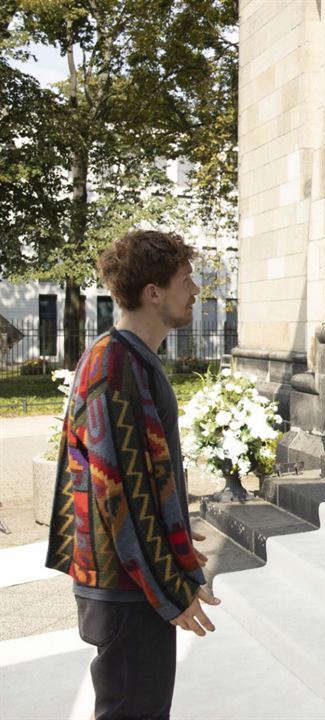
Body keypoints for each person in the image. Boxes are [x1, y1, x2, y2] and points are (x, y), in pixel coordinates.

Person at [45, 230, 220, 719]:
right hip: (127, 588)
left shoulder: (127, 358)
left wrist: (177, 536)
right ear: (153, 292)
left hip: (130, 580)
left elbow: (141, 474)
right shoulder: (114, 366)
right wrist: (171, 586)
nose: (195, 291)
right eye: (186, 280)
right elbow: (116, 492)